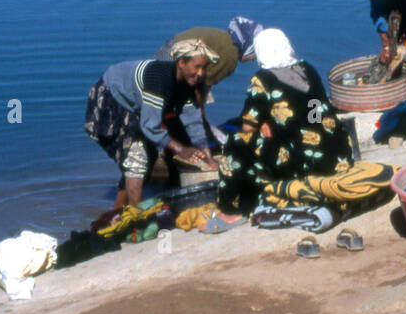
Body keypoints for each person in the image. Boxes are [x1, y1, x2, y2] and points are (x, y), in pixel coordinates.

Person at [206, 28, 358, 227]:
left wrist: (263, 126)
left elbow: (247, 128)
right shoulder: (308, 69)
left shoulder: (263, 80)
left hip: (304, 163)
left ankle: (231, 211)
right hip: (336, 156)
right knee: (292, 135)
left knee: (236, 142)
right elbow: (308, 114)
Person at [84, 39, 218, 212]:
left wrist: (207, 154)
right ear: (181, 63)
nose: (200, 73)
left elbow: (193, 120)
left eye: (204, 68)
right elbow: (150, 126)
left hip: (136, 105)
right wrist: (181, 149)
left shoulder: (188, 84)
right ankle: (137, 218)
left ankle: (117, 211)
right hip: (113, 97)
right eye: (197, 67)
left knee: (148, 157)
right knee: (137, 158)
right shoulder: (159, 80)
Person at [153, 17, 263, 150]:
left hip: (167, 52)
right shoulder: (230, 57)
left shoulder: (225, 40)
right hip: (174, 62)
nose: (254, 58)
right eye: (255, 52)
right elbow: (198, 91)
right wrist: (205, 127)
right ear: (248, 44)